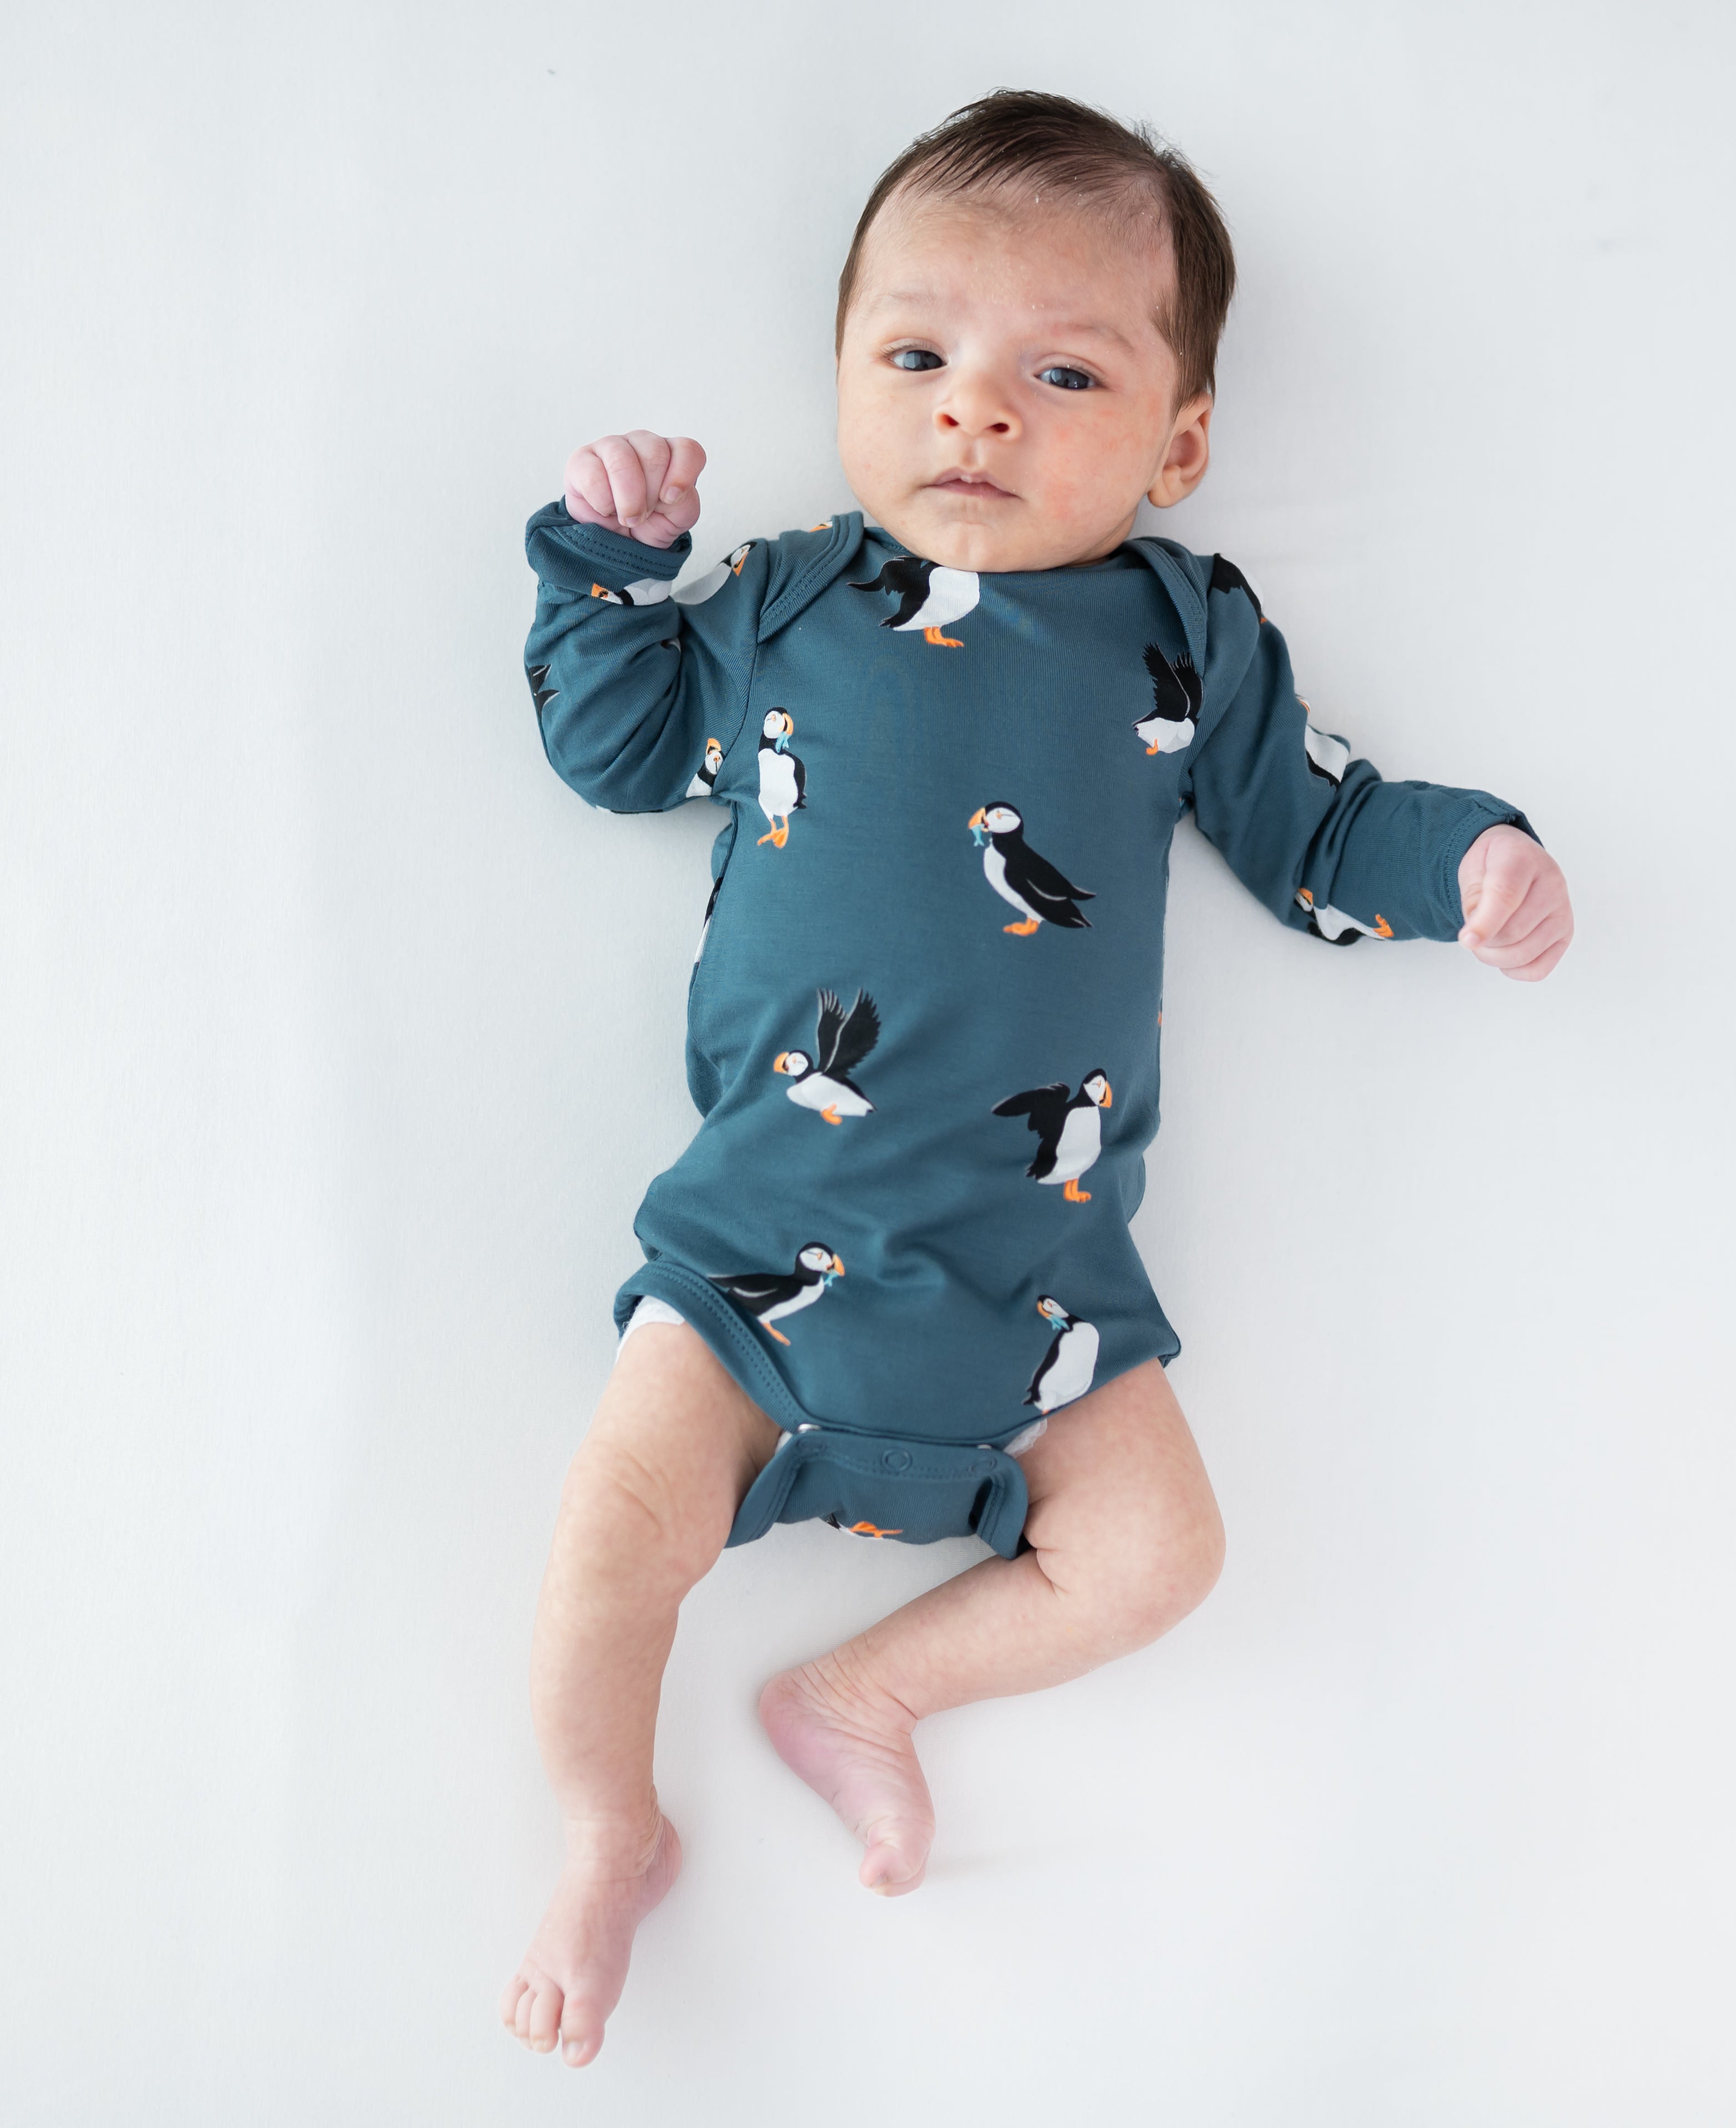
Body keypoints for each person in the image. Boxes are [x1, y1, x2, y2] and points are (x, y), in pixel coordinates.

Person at [502, 88, 1574, 2067]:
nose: (975, 411)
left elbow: (1316, 834)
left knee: (1160, 1555)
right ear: (843, 379)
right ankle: (604, 1825)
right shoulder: (784, 603)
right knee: (603, 1544)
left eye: (1059, 370)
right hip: (759, 1248)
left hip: (1045, 1284)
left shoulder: (1180, 635)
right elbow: (618, 749)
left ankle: (866, 1698)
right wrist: (603, 569)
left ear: (1176, 447)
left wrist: (1470, 863)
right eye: (917, 357)